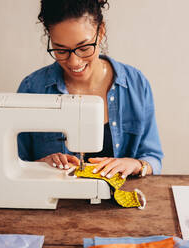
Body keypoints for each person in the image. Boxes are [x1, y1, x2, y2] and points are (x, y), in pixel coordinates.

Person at [17, 0, 163, 178]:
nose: (74, 62)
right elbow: (17, 162)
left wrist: (135, 164)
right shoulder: (32, 89)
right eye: (61, 50)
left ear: (101, 32)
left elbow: (153, 158)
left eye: (84, 48)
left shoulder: (136, 85)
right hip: (55, 201)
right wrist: (39, 165)